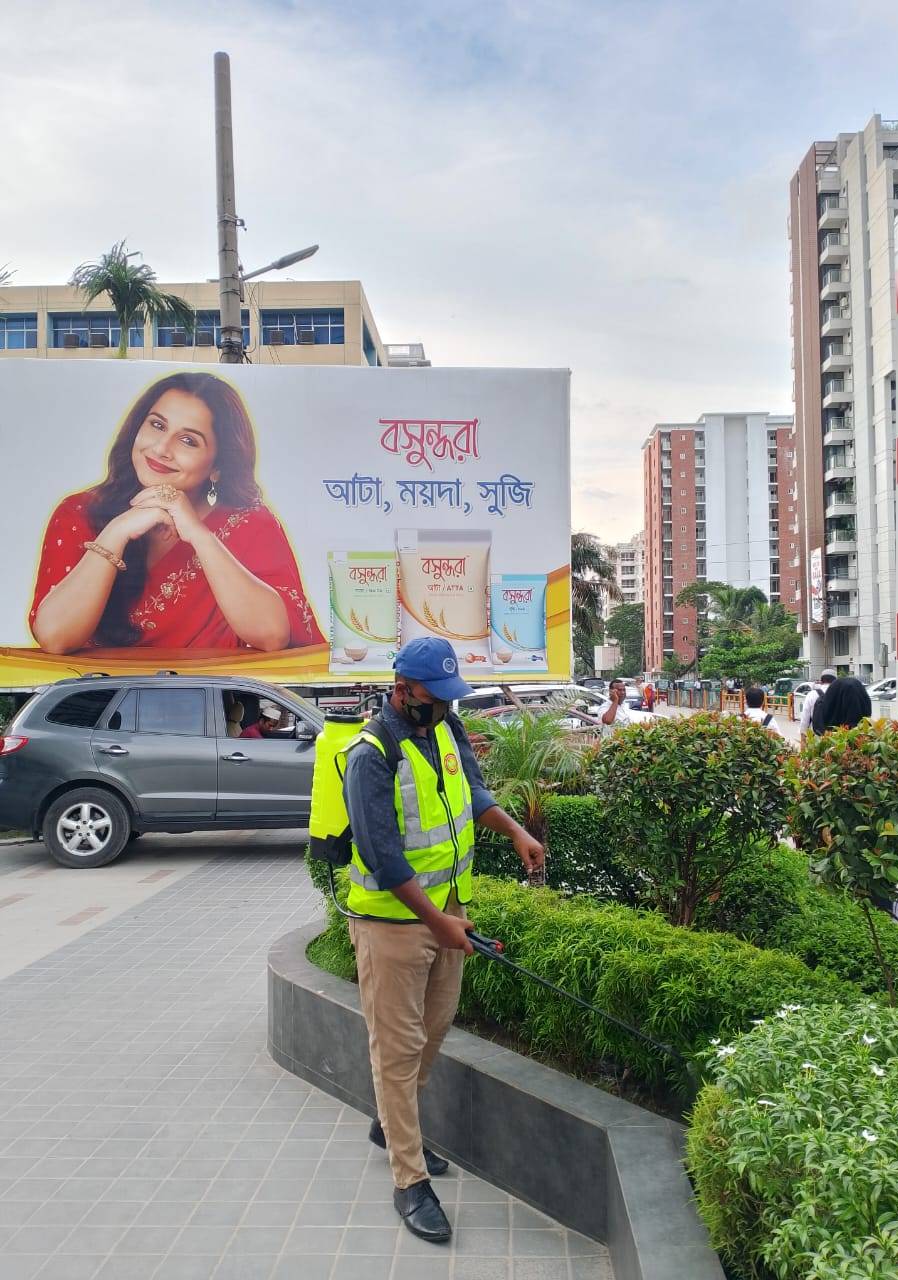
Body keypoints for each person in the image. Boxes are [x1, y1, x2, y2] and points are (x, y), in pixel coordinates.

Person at [341, 637, 544, 1245]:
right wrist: (437, 922)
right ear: (403, 690)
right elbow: (381, 855)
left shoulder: (447, 731)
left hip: (447, 912)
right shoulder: (371, 753)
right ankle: (409, 1177)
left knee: (435, 1028)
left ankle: (389, 1125)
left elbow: (473, 796)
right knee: (398, 1049)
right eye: (436, 697)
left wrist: (512, 830)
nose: (445, 706)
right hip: (392, 924)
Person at [29, 371, 320, 655]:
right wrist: (116, 533)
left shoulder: (250, 524)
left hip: (218, 701)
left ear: (218, 466)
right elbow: (56, 637)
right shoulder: (79, 513)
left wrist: (198, 535)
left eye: (189, 440)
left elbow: (272, 635)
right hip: (103, 701)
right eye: (157, 425)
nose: (161, 448)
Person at [799, 669, 836, 736]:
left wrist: (803, 733)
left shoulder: (812, 694)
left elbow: (805, 717)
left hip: (817, 737)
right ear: (836, 681)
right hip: (836, 738)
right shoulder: (840, 694)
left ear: (821, 681)